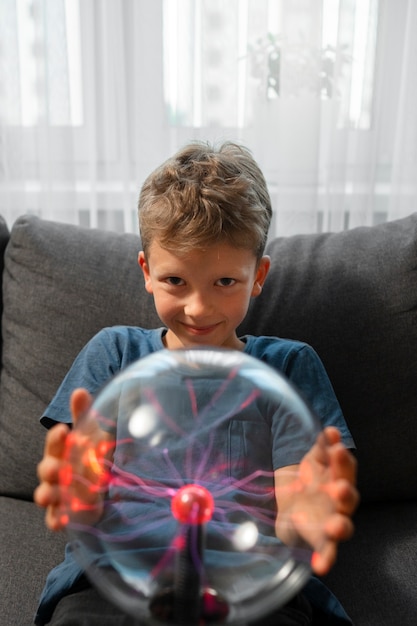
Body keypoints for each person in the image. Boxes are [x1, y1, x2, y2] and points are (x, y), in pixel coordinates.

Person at [34, 141, 358, 625]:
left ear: (258, 276)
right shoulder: (115, 353)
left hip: (248, 583)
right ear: (147, 271)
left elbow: (296, 507)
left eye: (225, 282)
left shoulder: (289, 367)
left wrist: (309, 513)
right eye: (176, 282)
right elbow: (85, 489)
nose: (199, 308)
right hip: (118, 579)